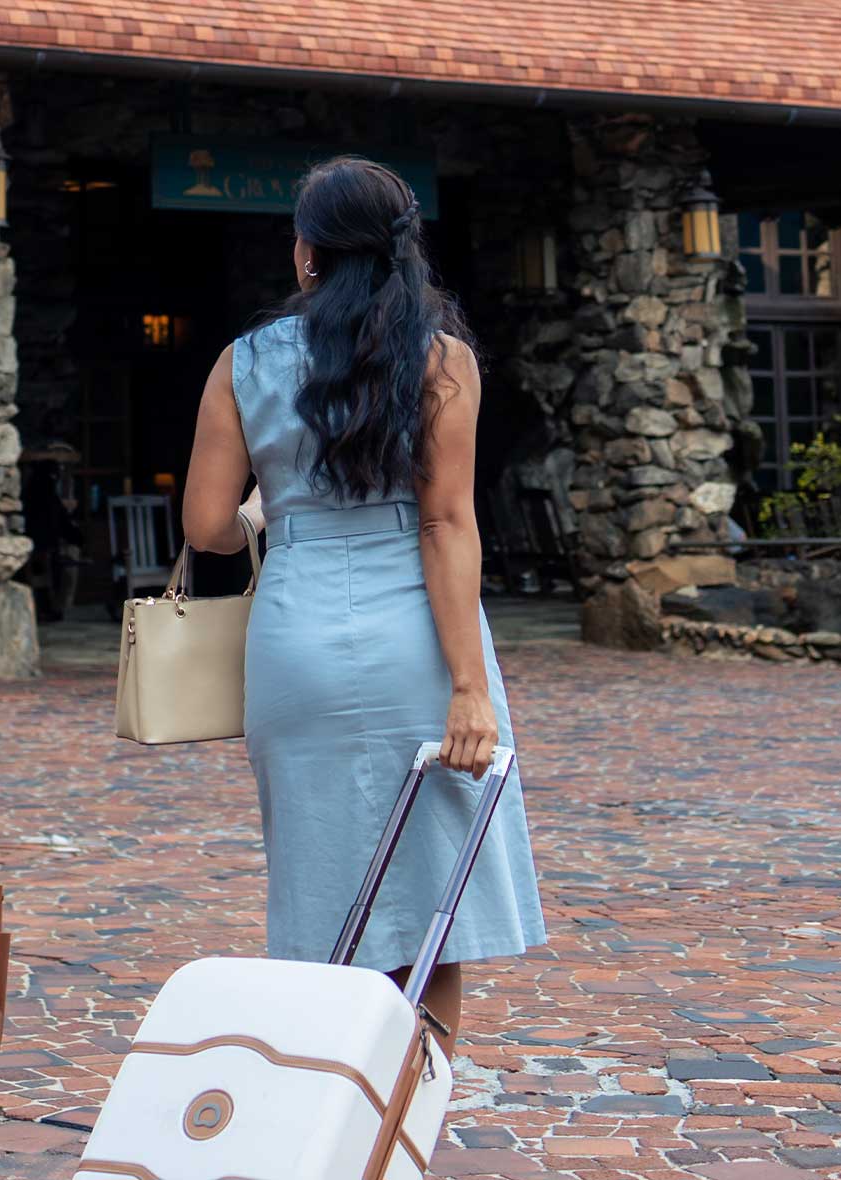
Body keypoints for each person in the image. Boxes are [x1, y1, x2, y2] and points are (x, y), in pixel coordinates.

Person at [178, 157, 546, 1051]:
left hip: (295, 635)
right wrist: (470, 685)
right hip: (413, 638)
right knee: (432, 906)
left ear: (306, 254)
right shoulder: (440, 360)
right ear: (399, 251)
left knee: (319, 886)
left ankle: (327, 1109)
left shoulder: (242, 362)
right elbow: (447, 524)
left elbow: (207, 527)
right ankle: (404, 1120)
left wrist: (271, 511)